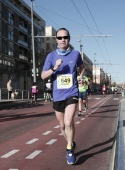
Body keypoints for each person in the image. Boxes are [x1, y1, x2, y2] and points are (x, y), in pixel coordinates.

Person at [41, 28, 85, 165]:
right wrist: (54, 68)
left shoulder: (76, 54)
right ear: (56, 40)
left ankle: (69, 149)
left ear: (69, 38)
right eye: (59, 38)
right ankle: (71, 143)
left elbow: (82, 68)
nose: (62, 40)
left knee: (68, 122)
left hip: (72, 93)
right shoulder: (51, 56)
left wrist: (80, 76)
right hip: (58, 95)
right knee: (61, 126)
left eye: (65, 37)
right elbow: (43, 76)